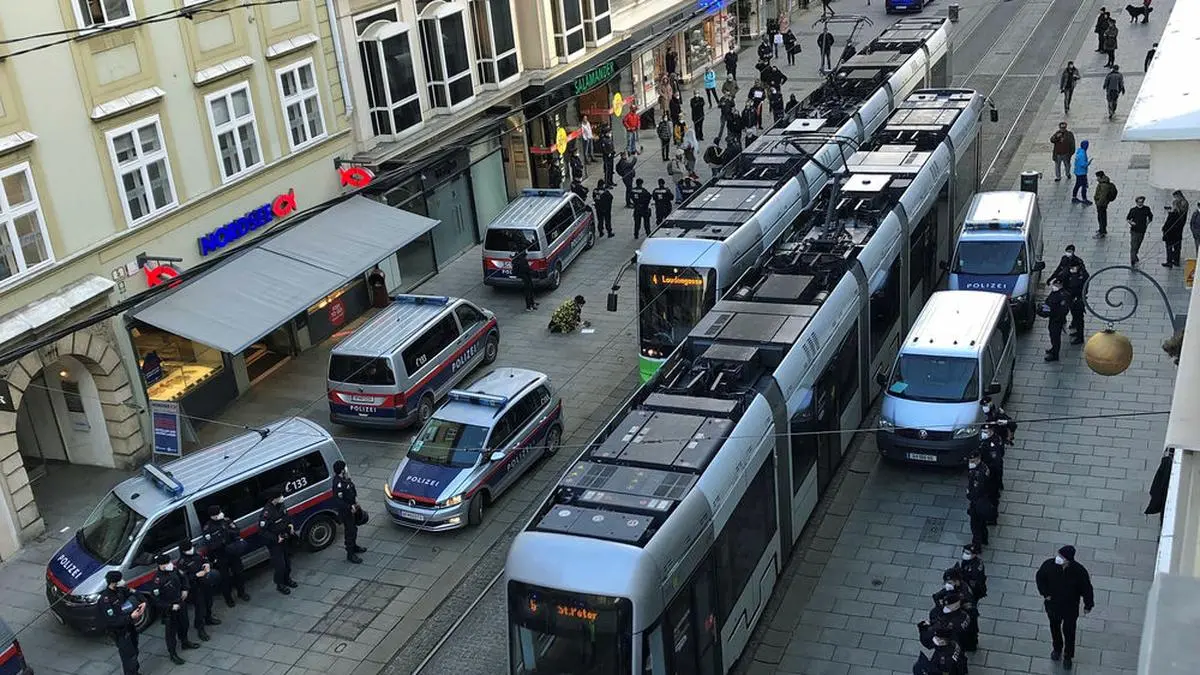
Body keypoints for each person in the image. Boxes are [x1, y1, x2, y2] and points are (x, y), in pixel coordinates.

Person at [1036, 545, 1095, 670]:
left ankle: (1068, 656)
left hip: (1070, 608)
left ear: (1068, 560)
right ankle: (1057, 649)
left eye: (1061, 556)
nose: (1058, 558)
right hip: (1053, 606)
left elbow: (1087, 589)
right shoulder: (1049, 565)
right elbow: (1040, 578)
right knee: (1054, 628)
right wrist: (1045, 593)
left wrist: (1088, 605)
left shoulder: (1079, 572)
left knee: (1069, 632)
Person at [151, 554, 197, 663]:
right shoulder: (157, 580)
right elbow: (156, 600)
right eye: (166, 563)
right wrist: (170, 606)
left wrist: (185, 589)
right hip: (169, 609)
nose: (169, 565)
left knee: (184, 624)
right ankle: (173, 654)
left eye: (169, 562)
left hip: (180, 602)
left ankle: (185, 642)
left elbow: (184, 578)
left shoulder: (174, 570)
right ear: (160, 565)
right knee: (171, 633)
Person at [98, 570, 146, 675]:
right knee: (128, 656)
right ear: (113, 582)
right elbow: (112, 621)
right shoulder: (105, 600)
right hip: (120, 632)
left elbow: (134, 592)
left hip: (129, 627)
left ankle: (135, 672)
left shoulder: (120, 590)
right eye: (119, 580)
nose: (122, 581)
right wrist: (130, 617)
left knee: (134, 651)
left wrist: (143, 602)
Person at [201, 505, 250, 607]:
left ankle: (241, 592)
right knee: (225, 579)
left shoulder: (226, 520)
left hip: (233, 552)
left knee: (239, 573)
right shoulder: (208, 528)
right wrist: (221, 542)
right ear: (213, 516)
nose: (220, 514)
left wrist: (228, 532)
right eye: (218, 513)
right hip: (221, 556)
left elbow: (237, 530)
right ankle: (228, 599)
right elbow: (210, 545)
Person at [177, 540, 219, 641]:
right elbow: (184, 579)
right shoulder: (181, 563)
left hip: (205, 583)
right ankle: (200, 629)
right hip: (195, 588)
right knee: (200, 608)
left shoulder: (197, 554)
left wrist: (207, 564)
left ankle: (208, 618)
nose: (191, 550)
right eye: (188, 549)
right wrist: (195, 575)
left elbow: (205, 560)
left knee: (209, 602)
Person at [258, 489, 298, 595]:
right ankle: (280, 585)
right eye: (279, 496)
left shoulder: (280, 506)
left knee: (287, 563)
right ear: (274, 499)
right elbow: (262, 531)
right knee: (280, 566)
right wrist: (276, 538)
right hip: (275, 544)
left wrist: (290, 524)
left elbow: (286, 516)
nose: (282, 498)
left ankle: (287, 579)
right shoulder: (266, 513)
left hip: (285, 538)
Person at [332, 460, 366, 564]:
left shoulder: (345, 478)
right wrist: (349, 507)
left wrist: (355, 499)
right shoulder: (338, 484)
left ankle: (354, 547)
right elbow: (339, 501)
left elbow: (351, 487)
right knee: (350, 531)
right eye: (345, 467)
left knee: (354, 529)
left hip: (353, 508)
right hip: (346, 512)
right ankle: (350, 554)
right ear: (342, 470)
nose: (346, 469)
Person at [966, 449, 993, 546]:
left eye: (973, 461)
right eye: (970, 461)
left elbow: (977, 489)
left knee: (975, 525)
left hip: (978, 501)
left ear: (978, 459)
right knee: (981, 523)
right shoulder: (982, 467)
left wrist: (969, 494)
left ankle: (976, 545)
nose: (970, 463)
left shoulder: (979, 473)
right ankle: (984, 539)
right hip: (982, 500)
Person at [1041, 277, 1070, 361]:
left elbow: (1063, 310)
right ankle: (1053, 348)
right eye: (1054, 285)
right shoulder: (1054, 293)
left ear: (1061, 286)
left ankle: (1055, 355)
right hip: (1052, 318)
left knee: (1055, 337)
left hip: (1057, 320)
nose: (1054, 286)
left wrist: (1052, 313)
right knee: (1052, 335)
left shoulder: (1063, 296)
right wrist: (1043, 309)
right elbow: (1048, 302)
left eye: (1057, 285)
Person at [978, 425, 1005, 514]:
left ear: (991, 431)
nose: (984, 434)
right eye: (983, 432)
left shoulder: (993, 443)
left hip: (992, 469)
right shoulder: (986, 441)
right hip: (991, 466)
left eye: (986, 432)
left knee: (993, 488)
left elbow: (996, 458)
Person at [1163, 190, 1188, 267]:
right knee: (1177, 246)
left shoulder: (1173, 214)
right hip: (1178, 231)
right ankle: (1176, 260)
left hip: (1171, 233)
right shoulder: (1184, 207)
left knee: (1169, 246)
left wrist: (1164, 230)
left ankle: (1169, 261)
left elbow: (1168, 224)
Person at [1127, 195, 1153, 265]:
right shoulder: (1133, 210)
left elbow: (1150, 216)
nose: (1140, 203)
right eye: (1139, 202)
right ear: (1136, 202)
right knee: (1133, 245)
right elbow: (1128, 218)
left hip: (1142, 230)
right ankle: (1133, 259)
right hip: (1134, 230)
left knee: (1138, 244)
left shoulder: (1146, 209)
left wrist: (1147, 223)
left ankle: (1135, 255)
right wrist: (1131, 223)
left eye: (1142, 202)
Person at [1092, 170, 1118, 238]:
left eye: (1097, 177)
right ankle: (1102, 229)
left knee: (1101, 218)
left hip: (1102, 204)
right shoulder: (1103, 182)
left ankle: (1102, 232)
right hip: (1102, 204)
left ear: (1100, 177)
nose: (1097, 178)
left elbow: (1103, 196)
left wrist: (1098, 203)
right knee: (1101, 217)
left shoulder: (1104, 185)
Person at [513, 247, 536, 311]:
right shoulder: (522, 260)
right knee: (528, 291)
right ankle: (529, 306)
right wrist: (533, 271)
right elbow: (526, 268)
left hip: (524, 275)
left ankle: (532, 303)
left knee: (530, 289)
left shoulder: (518, 258)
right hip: (525, 276)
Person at [1071, 140, 1091, 204]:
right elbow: (1082, 164)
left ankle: (1074, 197)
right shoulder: (1082, 154)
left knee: (1077, 184)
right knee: (1084, 186)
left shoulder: (1080, 151)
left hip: (1078, 172)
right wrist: (1088, 163)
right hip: (1081, 173)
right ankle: (1084, 199)